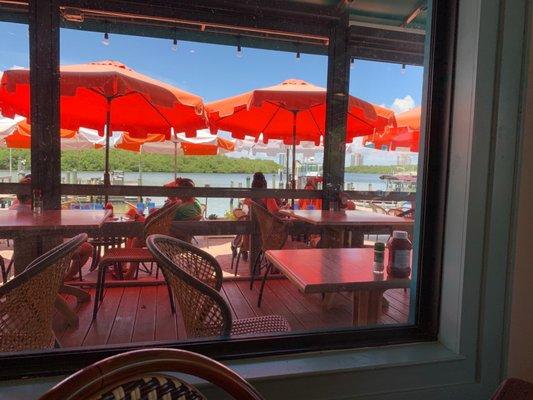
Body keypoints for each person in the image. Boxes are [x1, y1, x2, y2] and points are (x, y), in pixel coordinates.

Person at [9, 175, 94, 281]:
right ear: (36, 194)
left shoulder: (12, 210)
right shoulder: (41, 211)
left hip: (22, 251)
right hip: (51, 251)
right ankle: (65, 278)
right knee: (88, 248)